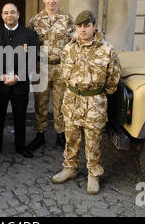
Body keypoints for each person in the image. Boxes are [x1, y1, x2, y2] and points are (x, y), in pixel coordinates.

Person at [52, 10, 121, 195]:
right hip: (72, 99)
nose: (82, 30)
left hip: (94, 101)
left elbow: (113, 79)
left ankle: (93, 173)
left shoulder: (106, 49)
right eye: (79, 26)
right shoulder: (69, 48)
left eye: (86, 26)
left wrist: (97, 94)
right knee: (71, 138)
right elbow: (63, 74)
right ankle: (70, 167)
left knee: (94, 140)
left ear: (94, 26)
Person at [0, 3, 39, 159]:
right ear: (2, 16)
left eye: (12, 12)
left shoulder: (29, 34)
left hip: (20, 84)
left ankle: (21, 146)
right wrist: (0, 76)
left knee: (20, 117)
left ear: (18, 14)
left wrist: (17, 76)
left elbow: (32, 58)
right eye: (6, 13)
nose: (9, 15)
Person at [26, 0, 75, 151]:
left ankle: (60, 135)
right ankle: (40, 134)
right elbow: (30, 45)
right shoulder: (35, 20)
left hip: (61, 67)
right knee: (40, 102)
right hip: (42, 67)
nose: (51, 1)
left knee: (61, 103)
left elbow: (73, 43)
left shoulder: (67, 19)